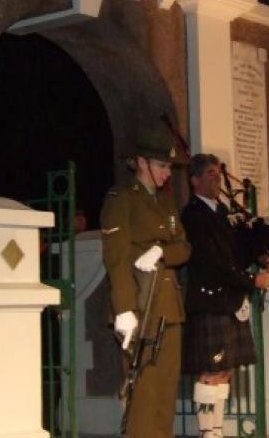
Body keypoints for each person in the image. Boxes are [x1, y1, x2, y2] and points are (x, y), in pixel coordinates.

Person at [99, 128, 191, 438]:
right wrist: (124, 309)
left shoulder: (167, 205)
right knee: (143, 392)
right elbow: (116, 258)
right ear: (141, 163)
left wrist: (161, 250)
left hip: (169, 309)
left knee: (165, 392)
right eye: (162, 165)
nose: (167, 173)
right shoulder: (121, 199)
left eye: (168, 167)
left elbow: (184, 248)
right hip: (141, 305)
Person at [181, 153, 269, 438]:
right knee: (210, 371)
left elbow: (236, 251)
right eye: (209, 173)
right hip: (210, 300)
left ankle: (217, 430)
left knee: (226, 371)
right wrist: (252, 280)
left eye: (217, 173)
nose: (216, 178)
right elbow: (213, 262)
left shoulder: (222, 212)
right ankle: (207, 432)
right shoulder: (192, 215)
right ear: (194, 180)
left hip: (230, 300)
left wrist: (263, 256)